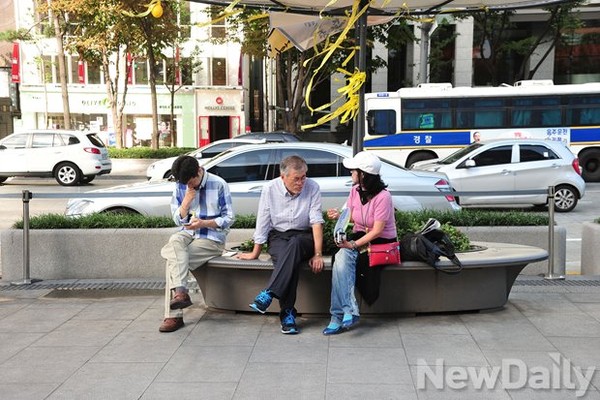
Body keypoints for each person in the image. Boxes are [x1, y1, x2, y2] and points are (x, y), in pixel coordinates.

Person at [237, 155, 324, 334]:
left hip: (303, 238)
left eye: (303, 178)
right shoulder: (270, 189)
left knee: (295, 244)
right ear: (282, 176)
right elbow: (263, 220)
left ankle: (269, 293)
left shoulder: (313, 187)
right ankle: (287, 314)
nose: (301, 183)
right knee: (288, 261)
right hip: (278, 237)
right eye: (296, 179)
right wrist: (255, 252)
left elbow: (316, 221)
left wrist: (318, 254)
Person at [323, 151, 397, 335]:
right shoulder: (355, 191)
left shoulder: (384, 196)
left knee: (342, 259)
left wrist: (354, 245)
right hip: (359, 237)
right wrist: (338, 216)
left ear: (362, 174)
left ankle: (337, 316)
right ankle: (347, 310)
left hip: (379, 241)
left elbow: (378, 230)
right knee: (341, 258)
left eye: (353, 170)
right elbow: (348, 213)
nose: (350, 173)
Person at [159, 155, 234, 333]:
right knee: (175, 240)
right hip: (187, 233)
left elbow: (229, 218)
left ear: (199, 170)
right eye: (185, 183)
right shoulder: (182, 185)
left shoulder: (219, 184)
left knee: (173, 263)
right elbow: (178, 220)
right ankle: (181, 293)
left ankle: (173, 316)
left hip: (211, 238)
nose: (189, 186)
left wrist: (204, 223)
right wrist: (186, 201)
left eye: (191, 182)